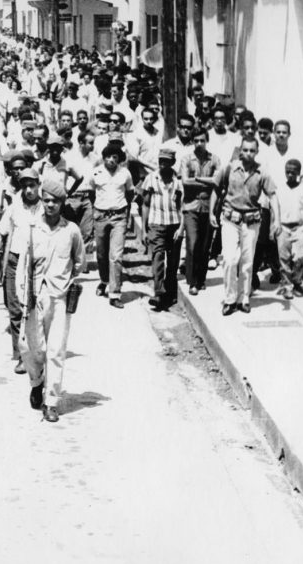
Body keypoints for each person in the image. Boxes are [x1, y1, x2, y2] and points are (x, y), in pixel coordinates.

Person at [19, 179, 85, 423]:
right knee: (30, 348)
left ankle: (51, 401)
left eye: (55, 201)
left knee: (56, 351)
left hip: (59, 297)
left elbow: (80, 263)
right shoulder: (32, 228)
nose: (50, 205)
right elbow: (23, 264)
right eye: (46, 200)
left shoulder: (71, 231)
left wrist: (67, 281)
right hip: (33, 296)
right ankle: (37, 382)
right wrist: (20, 295)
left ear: (62, 203)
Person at [211, 137, 279, 315]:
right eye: (245, 150)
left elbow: (272, 196)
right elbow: (216, 188)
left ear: (257, 152)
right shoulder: (229, 167)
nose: (248, 153)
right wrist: (212, 212)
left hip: (251, 222)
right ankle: (229, 298)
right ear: (240, 150)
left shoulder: (261, 172)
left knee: (247, 263)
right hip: (230, 219)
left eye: (252, 150)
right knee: (229, 259)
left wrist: (276, 220)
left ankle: (244, 298)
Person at [0, 166, 42, 374]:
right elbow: (1, 236)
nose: (28, 190)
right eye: (24, 186)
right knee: (15, 310)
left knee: (36, 309)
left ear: (39, 186)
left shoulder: (46, 207)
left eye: (32, 185)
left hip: (38, 263)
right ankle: (21, 355)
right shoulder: (13, 208)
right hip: (14, 261)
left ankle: (37, 353)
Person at [139, 148, 184, 311]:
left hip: (174, 224)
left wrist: (181, 227)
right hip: (156, 224)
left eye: (167, 162)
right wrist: (144, 229)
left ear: (172, 163)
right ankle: (158, 293)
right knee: (158, 256)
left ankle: (170, 293)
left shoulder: (178, 180)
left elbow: (182, 206)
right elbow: (145, 204)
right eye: (161, 161)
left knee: (173, 261)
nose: (163, 165)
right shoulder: (151, 178)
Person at [92, 143, 134, 309]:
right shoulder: (96, 172)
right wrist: (97, 209)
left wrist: (126, 211)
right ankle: (104, 280)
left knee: (116, 256)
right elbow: (91, 192)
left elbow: (130, 192)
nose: (111, 160)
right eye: (108, 157)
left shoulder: (125, 173)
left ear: (119, 159)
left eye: (115, 157)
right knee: (102, 254)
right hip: (100, 216)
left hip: (118, 217)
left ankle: (115, 293)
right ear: (104, 158)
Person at [180, 129, 221, 295]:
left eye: (202, 140)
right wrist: (207, 182)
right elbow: (185, 182)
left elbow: (218, 182)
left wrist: (197, 179)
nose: (199, 144)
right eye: (196, 140)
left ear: (207, 140)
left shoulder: (215, 159)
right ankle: (192, 281)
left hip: (209, 206)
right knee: (192, 243)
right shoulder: (186, 159)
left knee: (205, 246)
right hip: (191, 206)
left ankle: (201, 278)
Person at [275, 159, 303, 300]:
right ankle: (287, 286)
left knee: (300, 258)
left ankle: (297, 283)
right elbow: (275, 209)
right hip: (284, 227)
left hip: (300, 227)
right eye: (287, 172)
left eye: (293, 172)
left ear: (298, 173)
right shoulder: (279, 189)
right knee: (284, 259)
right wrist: (275, 226)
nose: (290, 175)